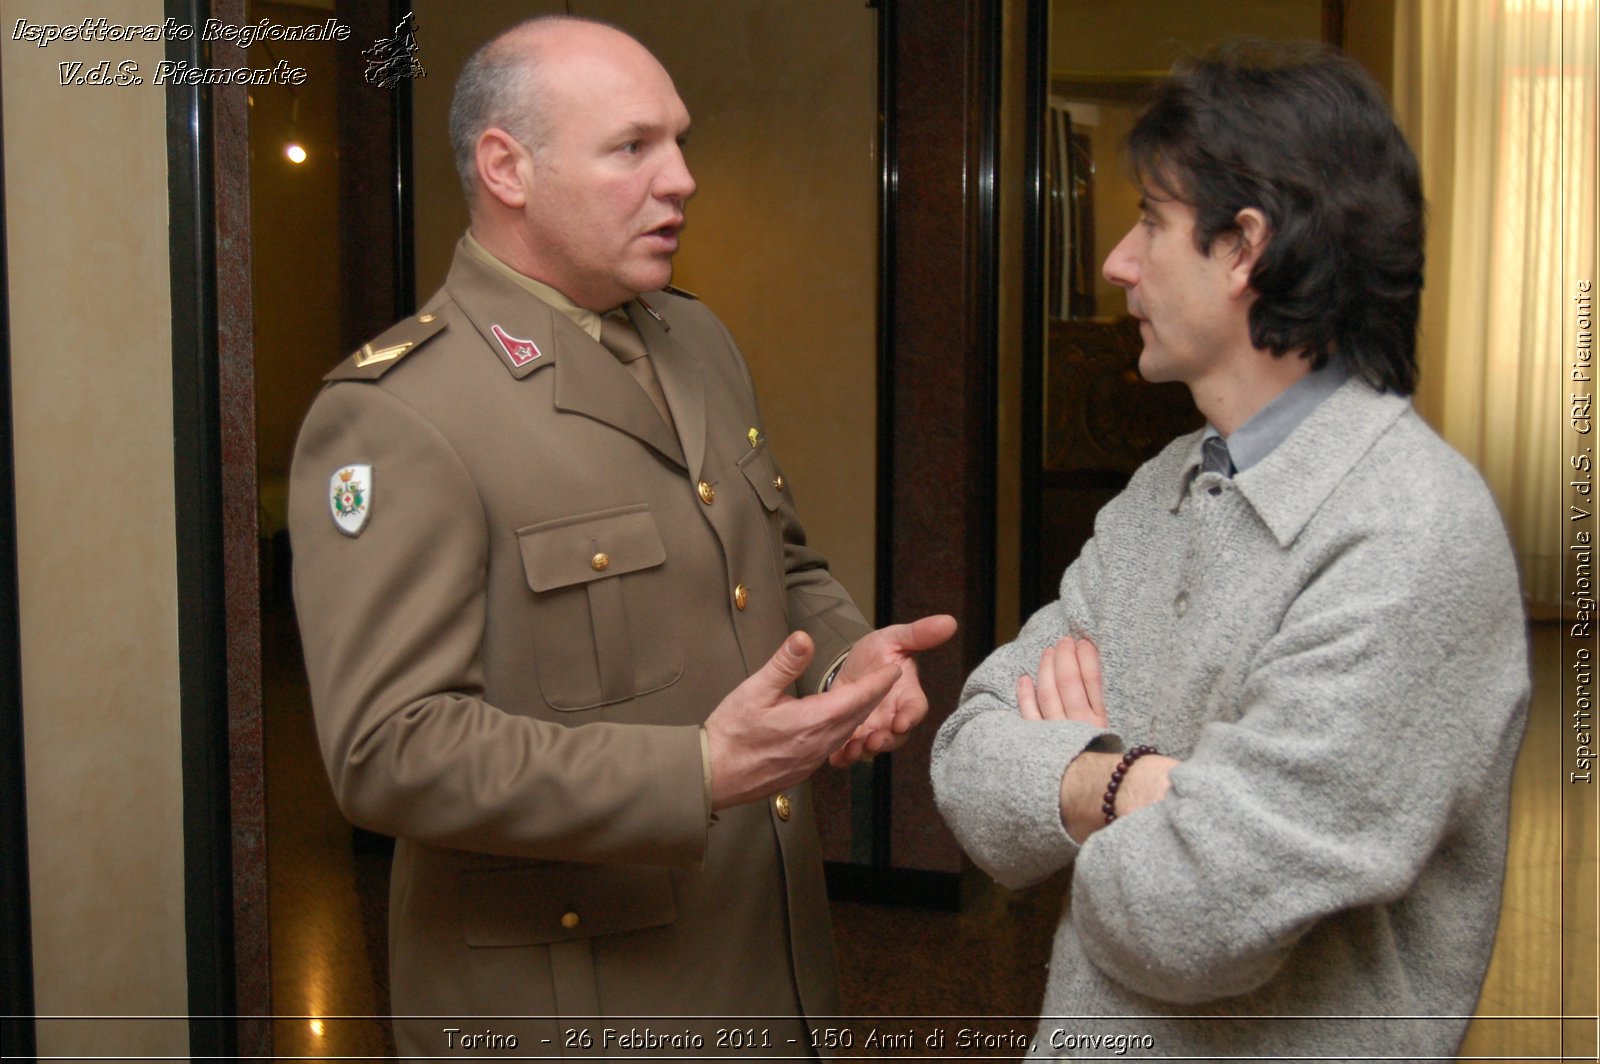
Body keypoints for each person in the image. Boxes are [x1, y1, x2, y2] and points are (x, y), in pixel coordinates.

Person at [288, 15, 954, 1056]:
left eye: (680, 141)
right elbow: (389, 750)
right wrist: (691, 770)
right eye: (634, 146)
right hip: (577, 1002)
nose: (682, 177)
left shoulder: (696, 337)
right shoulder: (399, 411)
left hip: (768, 962)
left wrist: (844, 662)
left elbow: (777, 559)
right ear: (507, 167)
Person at [931, 41, 1529, 1060]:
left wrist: (1078, 778)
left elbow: (1187, 919)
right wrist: (1129, 785)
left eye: (1150, 222)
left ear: (1244, 246)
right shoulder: (1163, 483)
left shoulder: (1410, 530)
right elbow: (966, 761)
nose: (1117, 259)